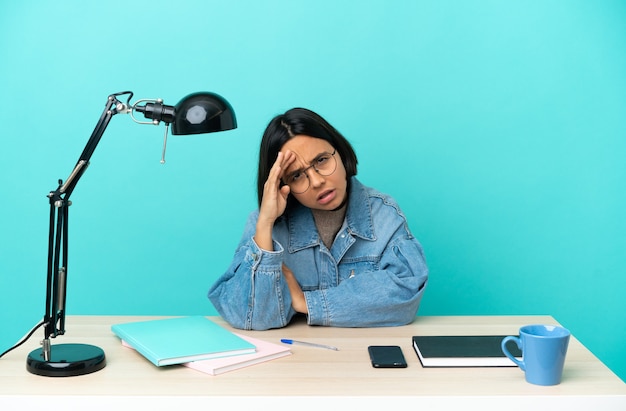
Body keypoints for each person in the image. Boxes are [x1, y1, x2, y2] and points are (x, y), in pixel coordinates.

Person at [208, 108, 428, 330]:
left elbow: (405, 294)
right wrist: (265, 225)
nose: (316, 181)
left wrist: (307, 303)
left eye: (321, 160)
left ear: (340, 152)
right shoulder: (266, 225)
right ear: (283, 185)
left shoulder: (384, 214)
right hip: (297, 358)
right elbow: (249, 316)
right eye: (296, 175)